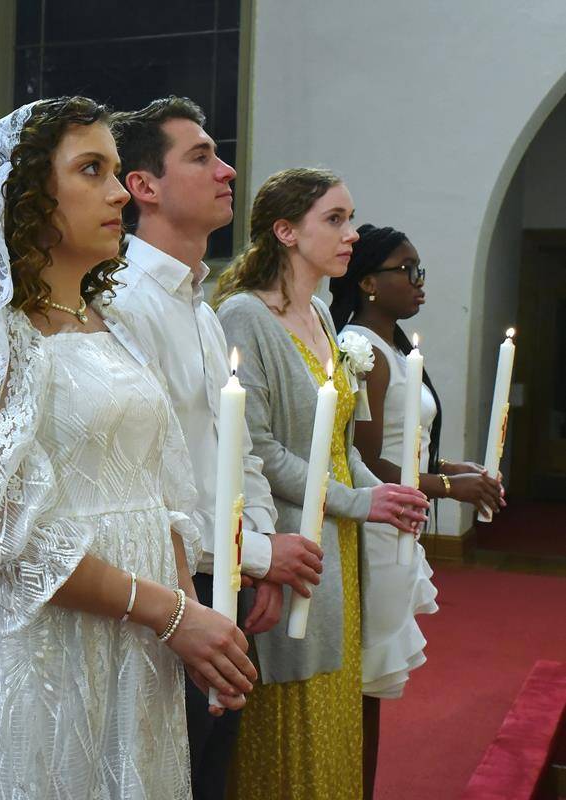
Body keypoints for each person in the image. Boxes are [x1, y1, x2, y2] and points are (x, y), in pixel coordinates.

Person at [0, 96, 257, 800]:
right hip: (41, 648)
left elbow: (163, 493)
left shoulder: (109, 321)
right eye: (92, 170)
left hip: (138, 642)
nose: (119, 192)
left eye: (116, 170)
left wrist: (192, 625)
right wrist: (174, 614)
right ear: (26, 195)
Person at [108, 97, 325, 800]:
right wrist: (257, 555)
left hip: (219, 572)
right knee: (162, 772)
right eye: (200, 157)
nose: (226, 169)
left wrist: (256, 547)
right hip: (162, 585)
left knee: (207, 772)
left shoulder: (199, 309)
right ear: (142, 187)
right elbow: (144, 476)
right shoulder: (119, 302)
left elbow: (239, 453)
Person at [213, 168, 430, 800]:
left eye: (350, 218)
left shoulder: (321, 318)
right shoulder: (244, 317)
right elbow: (255, 447)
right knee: (288, 720)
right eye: (334, 220)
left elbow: (336, 445)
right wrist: (359, 499)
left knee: (334, 701)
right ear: (285, 231)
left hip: (335, 541)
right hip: (285, 541)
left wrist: (379, 497)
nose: (351, 234)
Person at [329, 223, 503, 797]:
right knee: (367, 681)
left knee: (374, 684)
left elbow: (410, 447)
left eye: (419, 269)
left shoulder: (395, 348)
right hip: (377, 527)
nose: (419, 281)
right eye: (408, 269)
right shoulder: (361, 352)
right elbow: (369, 462)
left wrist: (457, 470)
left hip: (400, 520)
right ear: (369, 283)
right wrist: (448, 491)